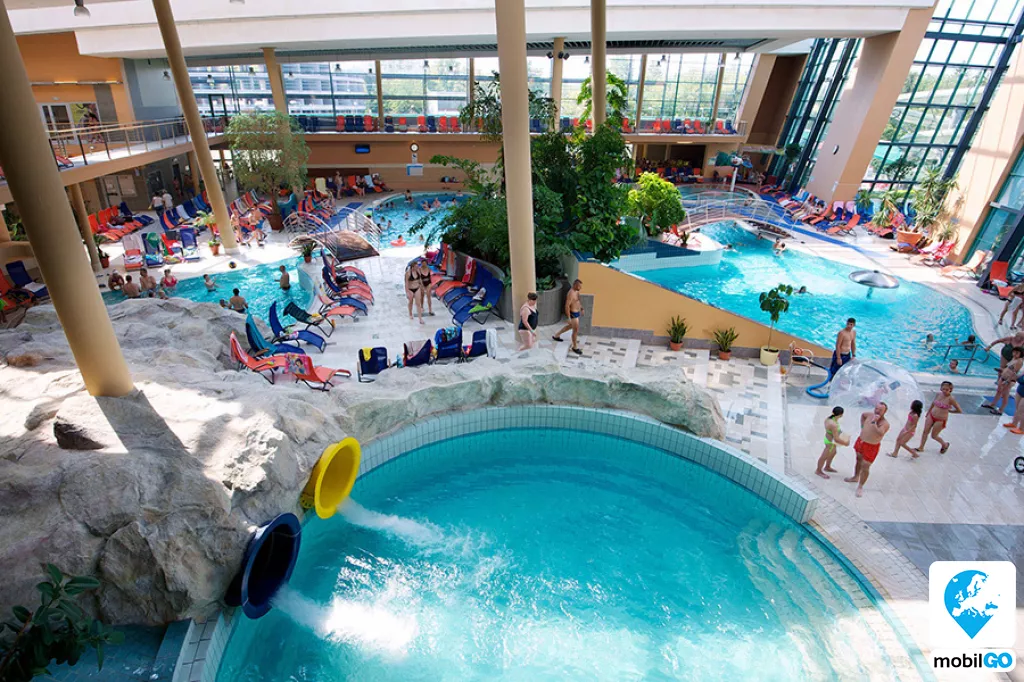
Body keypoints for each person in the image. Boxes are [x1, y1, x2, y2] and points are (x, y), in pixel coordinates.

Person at [844, 403, 890, 497]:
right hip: (861, 441)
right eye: (876, 408)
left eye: (880, 410)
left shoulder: (885, 423)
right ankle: (856, 476)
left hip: (871, 446)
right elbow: (863, 415)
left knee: (866, 466)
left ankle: (860, 486)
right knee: (858, 459)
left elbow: (880, 433)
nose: (877, 411)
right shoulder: (869, 415)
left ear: (885, 412)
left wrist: (874, 422)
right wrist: (862, 426)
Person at [916, 381, 962, 454]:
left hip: (940, 419)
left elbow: (959, 410)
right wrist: (928, 412)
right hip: (931, 415)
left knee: (934, 436)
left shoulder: (951, 399)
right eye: (943, 389)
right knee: (925, 432)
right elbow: (933, 403)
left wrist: (950, 411)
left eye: (947, 390)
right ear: (941, 388)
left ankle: (944, 444)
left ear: (950, 390)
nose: (944, 391)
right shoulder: (938, 394)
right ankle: (921, 447)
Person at [985, 348, 1023, 415]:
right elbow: (1008, 368)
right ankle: (992, 404)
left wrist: (1007, 381)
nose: (1014, 354)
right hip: (1003, 377)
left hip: (1009, 380)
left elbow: (1014, 372)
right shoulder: (1014, 359)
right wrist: (1001, 370)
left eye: (1017, 353)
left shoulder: (1019, 361)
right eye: (1014, 352)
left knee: (1005, 395)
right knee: (999, 392)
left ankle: (1000, 410)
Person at [815, 406, 849, 479]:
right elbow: (836, 439)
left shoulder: (829, 418)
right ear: (841, 415)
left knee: (833, 452)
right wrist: (845, 443)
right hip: (830, 442)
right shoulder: (833, 425)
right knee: (824, 456)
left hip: (829, 438)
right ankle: (818, 470)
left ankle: (827, 466)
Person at [552, 279, 584, 355]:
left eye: (580, 286)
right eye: (579, 286)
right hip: (573, 314)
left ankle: (557, 335)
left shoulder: (577, 291)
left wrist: (581, 308)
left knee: (570, 326)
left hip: (577, 312)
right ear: (575, 285)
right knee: (575, 330)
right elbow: (567, 306)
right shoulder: (570, 293)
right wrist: (568, 317)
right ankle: (575, 347)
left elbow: (578, 301)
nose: (580, 288)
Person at [405, 258, 431, 324]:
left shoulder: (418, 271)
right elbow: (406, 283)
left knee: (418, 303)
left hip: (417, 288)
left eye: (417, 266)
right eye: (416, 266)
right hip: (410, 289)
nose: (417, 267)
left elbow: (420, 280)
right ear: (412, 267)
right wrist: (407, 292)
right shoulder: (408, 273)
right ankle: (410, 313)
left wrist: (422, 287)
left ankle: (420, 318)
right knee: (411, 301)